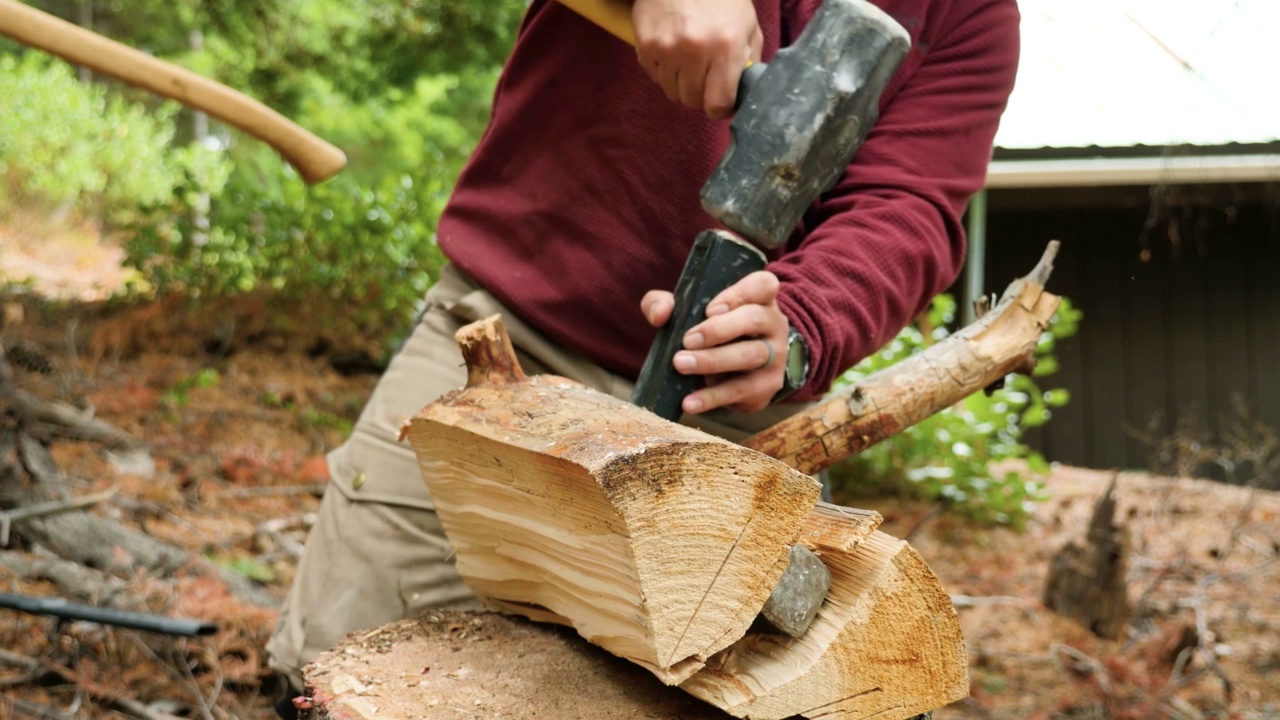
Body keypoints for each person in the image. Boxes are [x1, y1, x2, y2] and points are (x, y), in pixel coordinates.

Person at [266, 0, 1020, 713]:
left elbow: (907, 208)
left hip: (728, 422)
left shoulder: (972, 16)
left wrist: (797, 326)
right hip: (501, 354)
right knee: (334, 680)